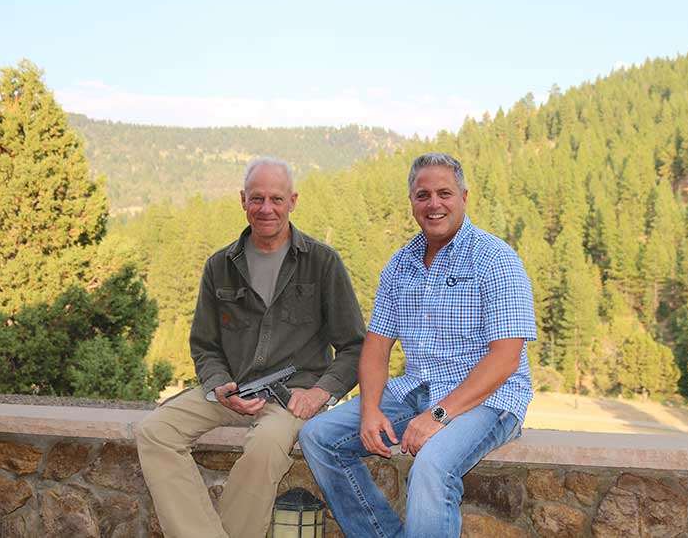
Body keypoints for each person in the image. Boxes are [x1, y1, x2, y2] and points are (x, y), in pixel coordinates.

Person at [299, 152, 536, 537]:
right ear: (412, 202)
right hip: (416, 390)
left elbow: (506, 359)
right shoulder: (400, 264)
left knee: (431, 464)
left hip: (489, 400)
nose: (434, 204)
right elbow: (375, 348)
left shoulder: (496, 260)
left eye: (444, 193)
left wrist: (439, 415)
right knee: (318, 437)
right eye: (423, 195)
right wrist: (371, 409)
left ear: (464, 197)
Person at [135, 158, 365, 538]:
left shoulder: (323, 263)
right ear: (243, 201)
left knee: (265, 445)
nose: (266, 208)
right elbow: (205, 345)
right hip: (232, 390)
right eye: (256, 198)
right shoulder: (219, 265)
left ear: (293, 201)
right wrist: (220, 385)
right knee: (154, 431)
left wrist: (320, 393)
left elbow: (355, 347)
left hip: (292, 399)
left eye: (276, 199)